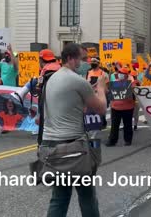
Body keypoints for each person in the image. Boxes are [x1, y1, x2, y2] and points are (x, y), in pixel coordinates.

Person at [41, 43, 107, 217]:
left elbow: (74, 105)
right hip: (74, 147)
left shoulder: (52, 79)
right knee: (87, 195)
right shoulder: (77, 80)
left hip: (51, 146)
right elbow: (100, 108)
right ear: (71, 58)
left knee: (60, 197)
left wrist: (88, 92)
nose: (84, 62)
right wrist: (100, 87)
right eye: (82, 58)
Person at [106, 67, 136, 147]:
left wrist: (132, 89)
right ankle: (112, 141)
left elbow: (135, 93)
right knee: (114, 125)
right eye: (119, 73)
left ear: (126, 75)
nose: (120, 74)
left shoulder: (131, 83)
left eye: (122, 73)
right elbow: (110, 92)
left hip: (128, 107)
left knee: (128, 125)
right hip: (115, 108)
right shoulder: (114, 82)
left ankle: (128, 140)